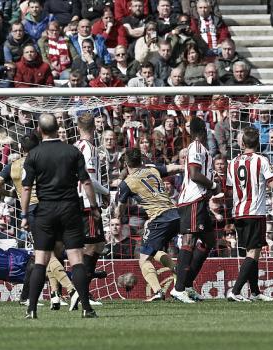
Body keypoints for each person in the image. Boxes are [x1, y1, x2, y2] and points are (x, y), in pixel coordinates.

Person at [20, 114, 101, 319]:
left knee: (41, 260)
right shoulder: (72, 151)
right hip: (70, 209)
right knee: (76, 258)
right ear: (58, 128)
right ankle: (86, 308)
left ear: (40, 130)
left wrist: (23, 214)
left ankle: (32, 309)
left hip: (45, 211)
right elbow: (87, 182)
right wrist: (93, 206)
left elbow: (26, 188)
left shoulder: (34, 155)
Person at [116, 148, 182, 301]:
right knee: (153, 251)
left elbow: (119, 208)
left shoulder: (127, 183)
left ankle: (158, 291)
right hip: (175, 214)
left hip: (159, 218)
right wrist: (185, 167)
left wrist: (117, 216)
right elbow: (172, 168)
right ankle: (177, 271)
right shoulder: (151, 169)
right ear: (141, 160)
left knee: (144, 259)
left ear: (126, 163)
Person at [225, 127, 273, 301]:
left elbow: (228, 189)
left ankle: (255, 292)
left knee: (252, 251)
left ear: (242, 143)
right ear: (258, 142)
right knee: (253, 253)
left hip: (238, 212)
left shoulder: (232, 162)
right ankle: (235, 291)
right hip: (255, 212)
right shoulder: (261, 160)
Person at [171, 117, 218, 303]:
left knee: (208, 240)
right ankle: (179, 288)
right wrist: (213, 185)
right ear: (204, 130)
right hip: (192, 200)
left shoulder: (202, 149)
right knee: (189, 239)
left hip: (200, 201)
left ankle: (188, 285)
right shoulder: (196, 147)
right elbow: (194, 174)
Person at [73, 114, 111, 310]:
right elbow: (87, 179)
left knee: (98, 244)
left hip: (77, 201)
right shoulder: (89, 149)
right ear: (94, 128)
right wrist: (105, 192)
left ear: (78, 127)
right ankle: (80, 293)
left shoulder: (74, 146)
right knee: (90, 247)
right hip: (87, 203)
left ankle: (80, 290)